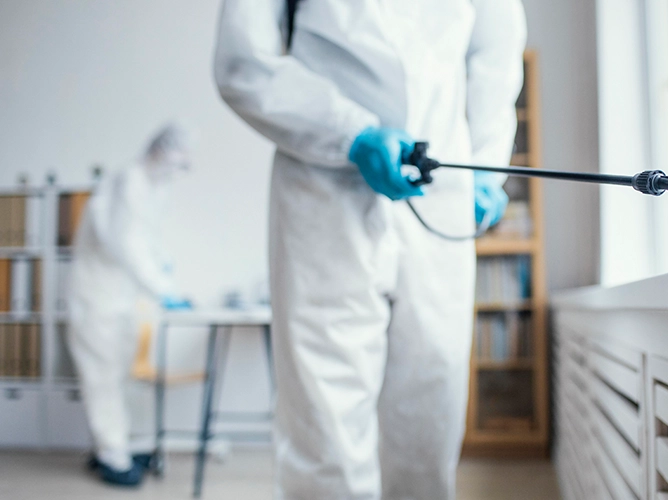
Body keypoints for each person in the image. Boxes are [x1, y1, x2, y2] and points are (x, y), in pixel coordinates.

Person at [214, 0, 525, 498]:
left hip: (441, 189)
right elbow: (242, 61)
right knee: (324, 415)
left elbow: (496, 54)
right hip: (323, 188)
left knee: (431, 400)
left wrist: (488, 167)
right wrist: (350, 132)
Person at [67, 123, 193, 486]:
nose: (177, 171)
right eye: (176, 162)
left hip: (117, 300)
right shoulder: (129, 182)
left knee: (119, 377)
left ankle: (113, 446)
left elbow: (146, 240)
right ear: (159, 151)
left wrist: (165, 271)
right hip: (95, 301)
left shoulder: (149, 187)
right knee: (102, 378)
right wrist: (162, 288)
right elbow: (126, 244)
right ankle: (112, 457)